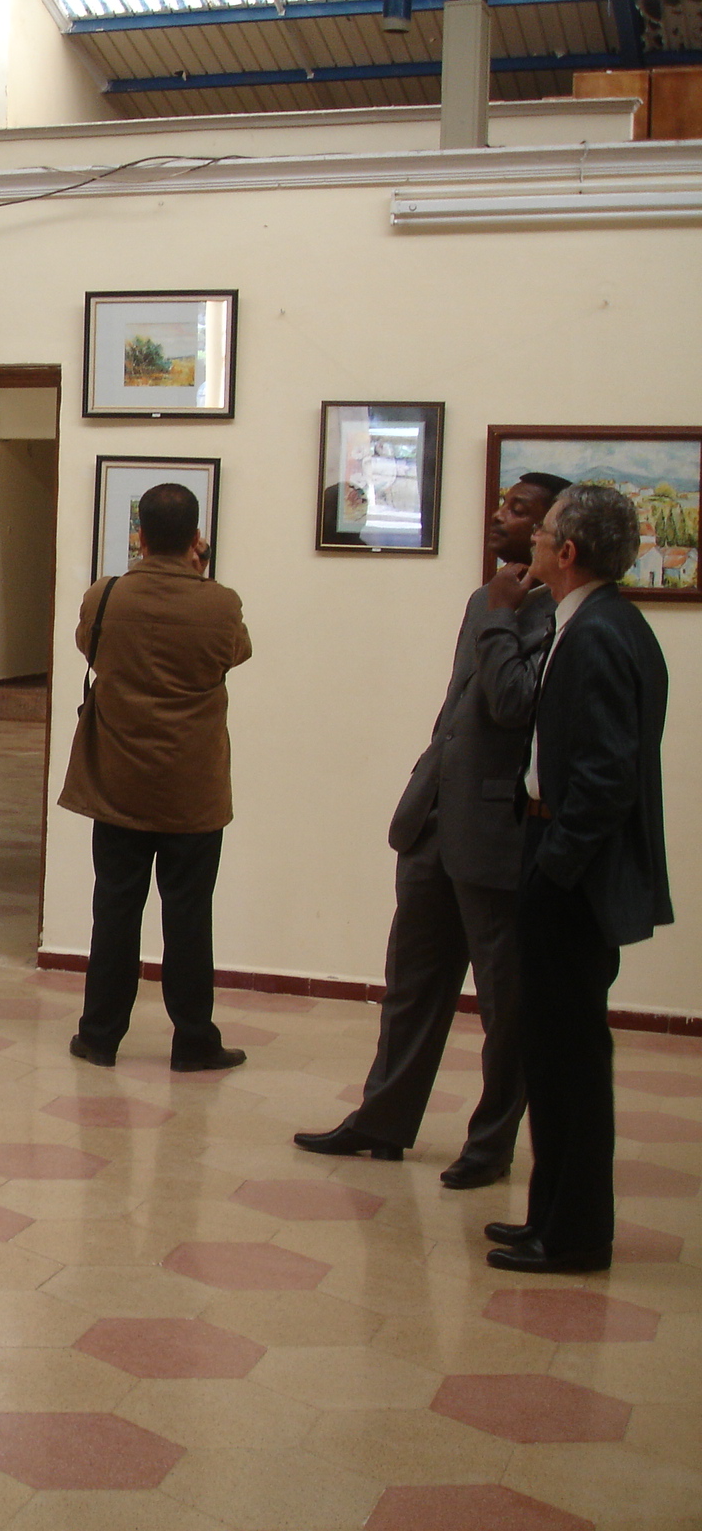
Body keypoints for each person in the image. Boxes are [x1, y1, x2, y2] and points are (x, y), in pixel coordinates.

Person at [294, 472, 569, 1186]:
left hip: (499, 835)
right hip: (435, 822)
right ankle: (382, 1120)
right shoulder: (490, 597)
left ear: (556, 538)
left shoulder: (556, 617)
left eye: (521, 513)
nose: (501, 518)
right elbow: (461, 708)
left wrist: (504, 617)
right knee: (410, 985)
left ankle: (490, 1145)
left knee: (506, 1006)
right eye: (505, 505)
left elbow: (515, 707)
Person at [485, 484, 670, 1274]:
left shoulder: (597, 633)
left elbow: (604, 777)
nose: (530, 538)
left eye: (545, 530)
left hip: (568, 866)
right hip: (555, 851)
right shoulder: (594, 621)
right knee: (555, 1051)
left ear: (567, 552)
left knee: (568, 1058)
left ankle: (573, 1232)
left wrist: (554, 872)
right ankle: (549, 1213)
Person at [59, 483, 252, 1072]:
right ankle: (194, 1039)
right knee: (189, 915)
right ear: (197, 539)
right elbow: (235, 654)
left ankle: (99, 1036)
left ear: (139, 535)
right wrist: (202, 576)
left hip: (117, 781)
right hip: (192, 787)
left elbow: (87, 649)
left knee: (115, 909)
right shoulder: (220, 602)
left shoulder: (106, 595)